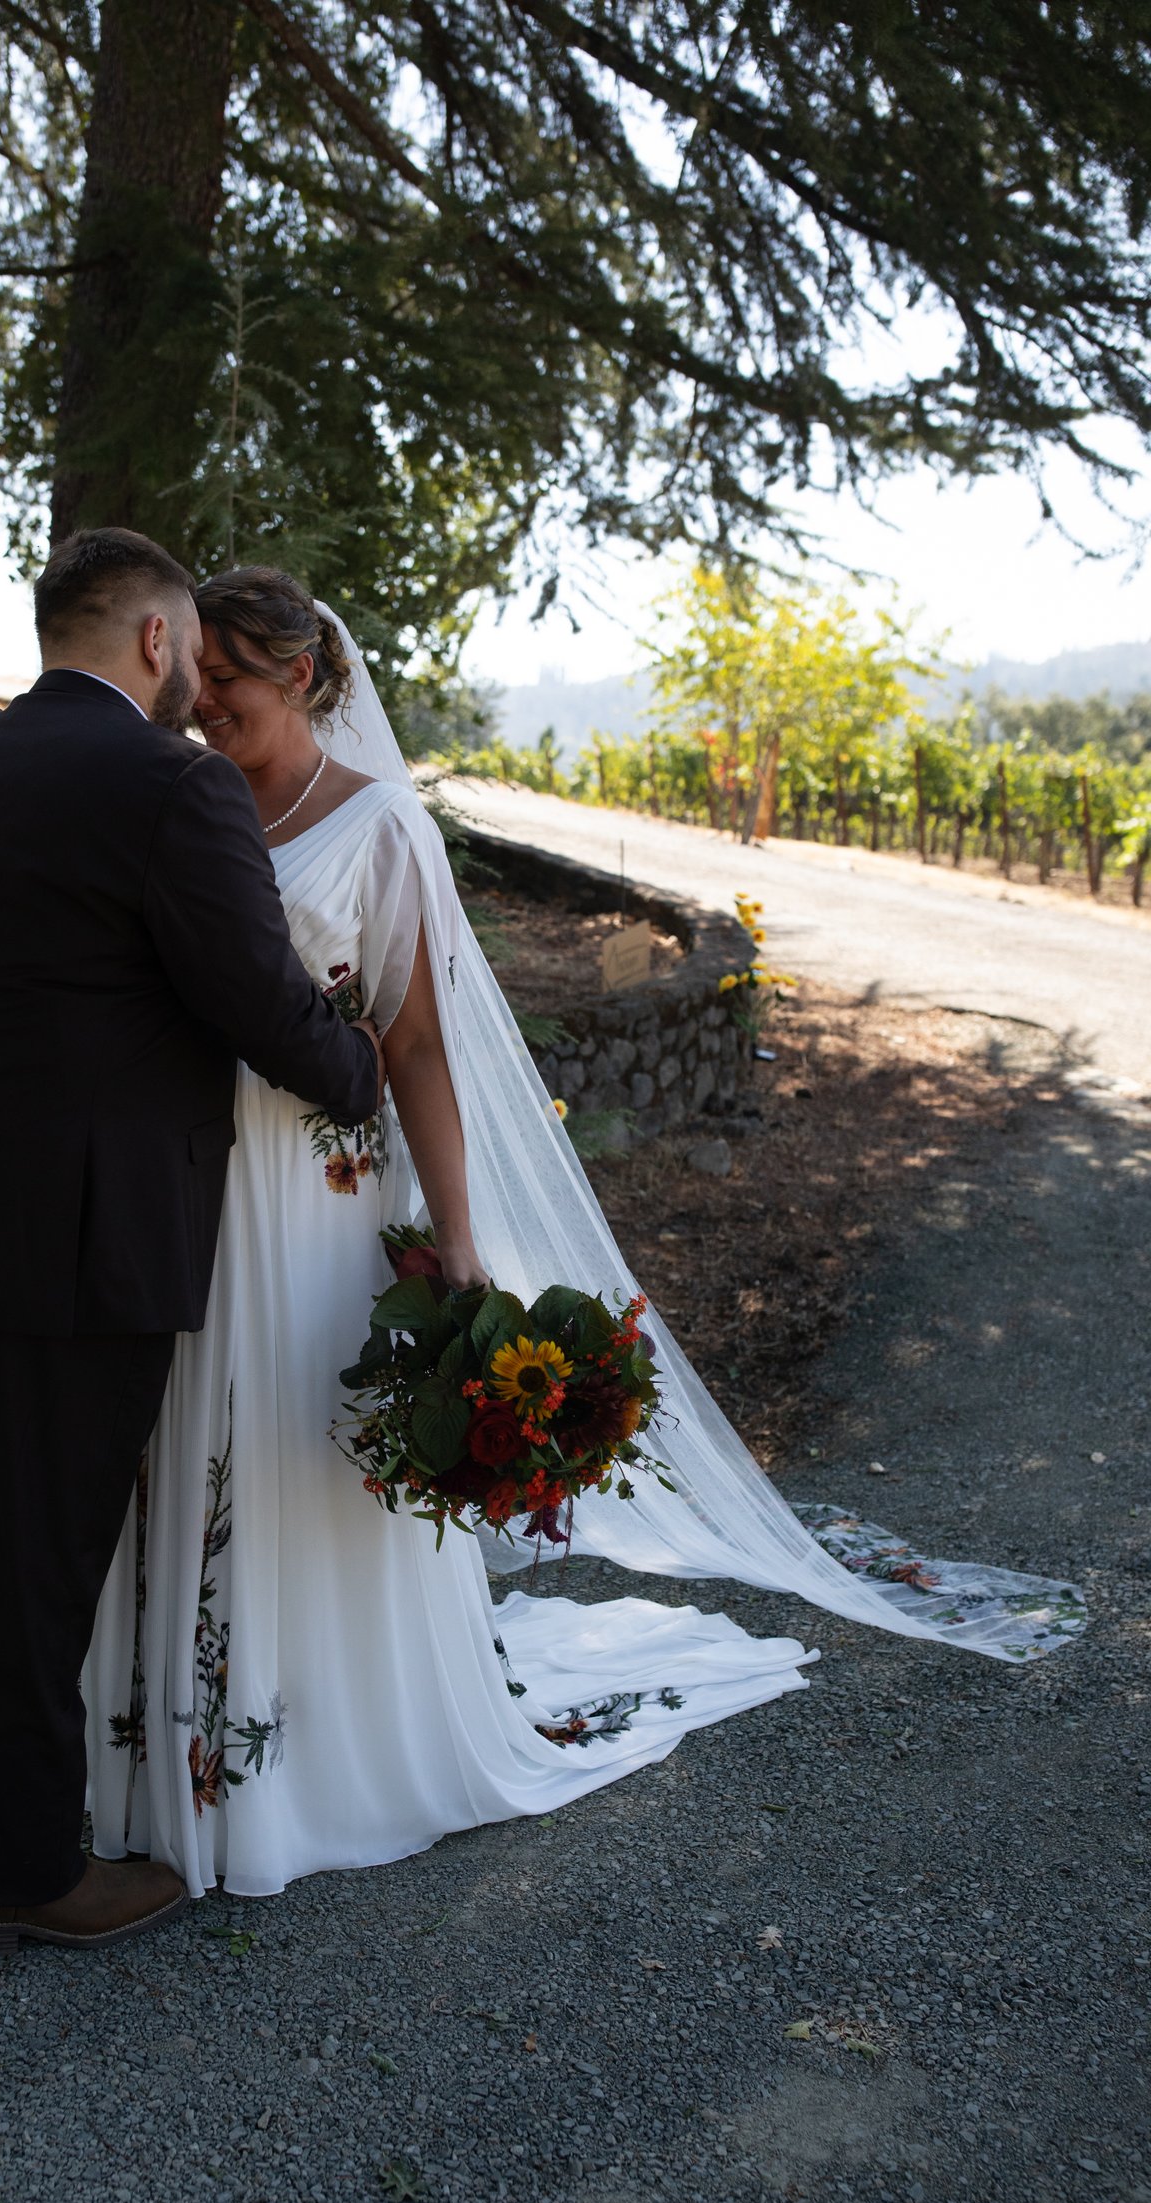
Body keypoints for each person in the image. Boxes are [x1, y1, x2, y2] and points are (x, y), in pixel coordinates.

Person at [72, 565, 1084, 1899]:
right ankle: (164, 1748)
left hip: (319, 1195)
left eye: (229, 684)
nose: (203, 705)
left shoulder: (378, 827)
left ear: (303, 677)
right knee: (184, 1438)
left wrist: (458, 1234)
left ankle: (314, 1751)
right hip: (194, 1185)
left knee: (296, 1445)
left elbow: (416, 1043)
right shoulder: (181, 803)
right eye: (193, 681)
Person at [0, 530, 384, 1954]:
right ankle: (12, 1874)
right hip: (80, 1241)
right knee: (39, 1557)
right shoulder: (175, 786)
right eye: (190, 645)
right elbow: (254, 998)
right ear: (153, 638)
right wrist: (359, 1068)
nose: (196, 676)